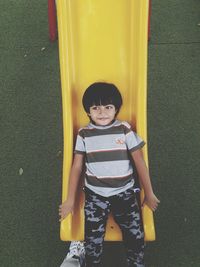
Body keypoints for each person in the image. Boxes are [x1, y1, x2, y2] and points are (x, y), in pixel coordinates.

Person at [59, 82, 160, 267]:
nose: (102, 112)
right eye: (95, 107)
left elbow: (139, 162)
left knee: (136, 239)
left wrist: (149, 193)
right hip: (95, 196)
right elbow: (76, 167)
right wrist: (70, 200)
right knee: (92, 244)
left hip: (125, 193)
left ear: (116, 109)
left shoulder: (124, 129)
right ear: (88, 111)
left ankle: (135, 263)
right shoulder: (84, 133)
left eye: (108, 107)